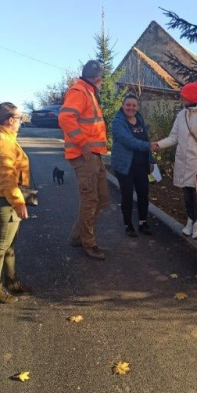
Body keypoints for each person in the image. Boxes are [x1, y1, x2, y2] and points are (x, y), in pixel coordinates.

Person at [58, 60, 109, 260]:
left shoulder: (88, 92)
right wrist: (83, 142)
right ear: (97, 79)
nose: (102, 82)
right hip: (85, 156)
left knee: (102, 198)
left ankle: (77, 236)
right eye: (102, 79)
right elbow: (65, 118)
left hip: (94, 155)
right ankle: (88, 243)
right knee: (90, 200)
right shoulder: (79, 91)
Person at [152, 82, 197, 240]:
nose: (181, 99)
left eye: (184, 97)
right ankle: (189, 220)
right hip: (182, 161)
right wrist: (158, 145)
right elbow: (173, 137)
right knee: (187, 194)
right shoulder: (182, 115)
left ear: (191, 97)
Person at [0, 102, 32, 303]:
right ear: (9, 120)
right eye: (19, 118)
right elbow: (6, 177)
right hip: (5, 201)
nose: (20, 122)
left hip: (6, 199)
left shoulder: (6, 138)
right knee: (1, 246)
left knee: (9, 245)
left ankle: (11, 281)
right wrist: (18, 203)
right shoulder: (3, 141)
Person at [111, 93, 155, 237]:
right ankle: (128, 224)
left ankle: (143, 222)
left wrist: (151, 160)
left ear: (137, 107)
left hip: (141, 165)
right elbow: (129, 141)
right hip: (125, 166)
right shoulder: (117, 122)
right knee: (127, 195)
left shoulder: (139, 119)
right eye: (128, 105)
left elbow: (146, 138)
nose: (131, 108)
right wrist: (149, 146)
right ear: (123, 106)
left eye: (134, 105)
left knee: (143, 194)